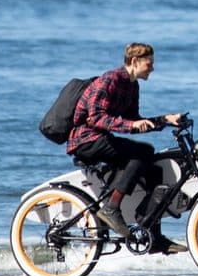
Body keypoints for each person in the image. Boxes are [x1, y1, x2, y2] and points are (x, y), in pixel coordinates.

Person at [66, 42, 187, 253]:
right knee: (141, 153)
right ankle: (111, 208)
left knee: (155, 168)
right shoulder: (109, 80)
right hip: (85, 140)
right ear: (134, 61)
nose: (153, 68)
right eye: (149, 63)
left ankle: (152, 233)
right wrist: (131, 125)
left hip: (101, 139)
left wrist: (166, 120)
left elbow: (135, 121)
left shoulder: (132, 86)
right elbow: (96, 118)